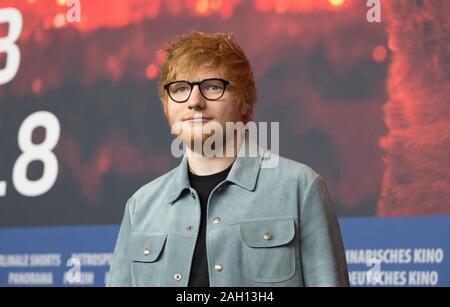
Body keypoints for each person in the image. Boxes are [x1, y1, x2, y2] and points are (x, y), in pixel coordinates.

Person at [107, 31, 349, 287]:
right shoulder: (140, 207)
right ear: (166, 104)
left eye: (212, 86)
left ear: (244, 101)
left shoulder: (301, 188)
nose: (194, 101)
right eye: (180, 88)